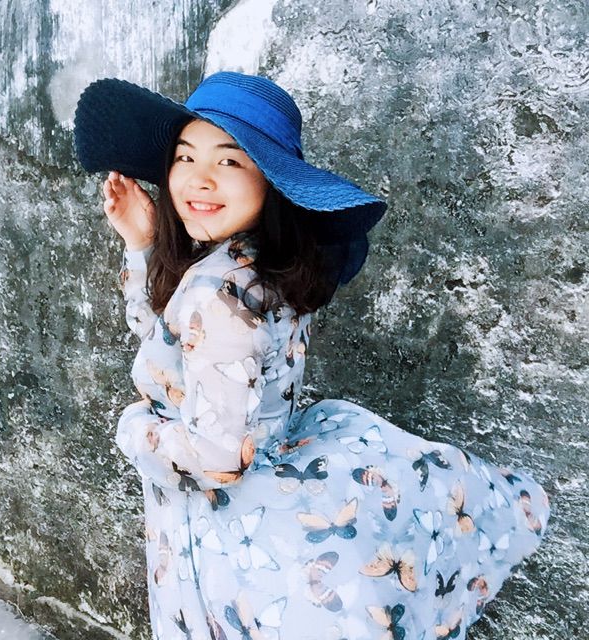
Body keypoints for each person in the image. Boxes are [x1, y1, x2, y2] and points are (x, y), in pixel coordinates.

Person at [73, 72, 549, 640]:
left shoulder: (215, 291)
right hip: (275, 480)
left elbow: (216, 456)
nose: (199, 178)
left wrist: (135, 429)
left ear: (270, 182)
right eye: (185, 157)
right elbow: (176, 348)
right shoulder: (256, 265)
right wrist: (142, 245)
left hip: (228, 520)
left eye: (230, 160)